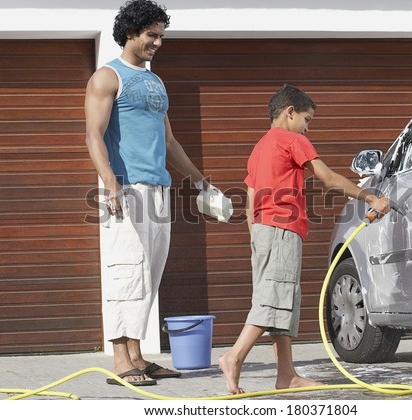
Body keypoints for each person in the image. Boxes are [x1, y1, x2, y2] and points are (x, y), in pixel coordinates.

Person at [218, 85, 391, 394]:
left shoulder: (260, 148)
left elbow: (250, 199)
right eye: (307, 120)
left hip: (262, 232)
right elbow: (329, 179)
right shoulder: (294, 140)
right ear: (290, 113)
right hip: (281, 231)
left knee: (282, 303)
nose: (308, 128)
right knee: (273, 301)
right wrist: (369, 197)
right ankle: (234, 357)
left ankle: (286, 375)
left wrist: (257, 240)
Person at [85, 0, 209, 386]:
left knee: (148, 275)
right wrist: (110, 184)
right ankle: (120, 361)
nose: (158, 42)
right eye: (151, 35)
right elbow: (93, 135)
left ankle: (138, 355)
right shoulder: (107, 77)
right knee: (125, 272)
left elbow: (169, 140)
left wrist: (198, 179)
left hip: (158, 189)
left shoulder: (156, 81)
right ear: (130, 33)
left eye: (161, 36)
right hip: (126, 189)